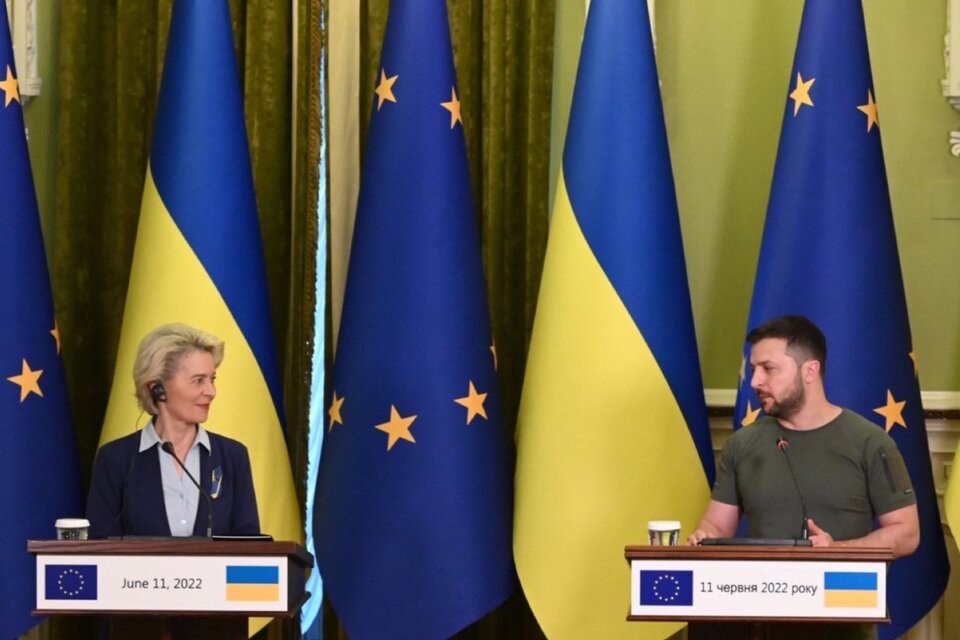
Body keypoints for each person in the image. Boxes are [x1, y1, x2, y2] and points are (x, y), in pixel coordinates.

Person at [687, 315, 918, 640]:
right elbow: (716, 527)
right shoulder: (742, 443)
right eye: (753, 369)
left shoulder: (870, 442)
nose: (754, 381)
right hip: (756, 620)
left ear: (809, 371)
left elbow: (907, 534)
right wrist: (702, 539)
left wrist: (838, 551)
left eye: (768, 368)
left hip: (841, 617)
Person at [87, 323, 260, 538]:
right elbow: (100, 547)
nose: (211, 391)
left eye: (212, 379)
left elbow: (250, 548)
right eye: (198, 381)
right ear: (157, 389)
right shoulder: (116, 459)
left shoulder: (233, 457)